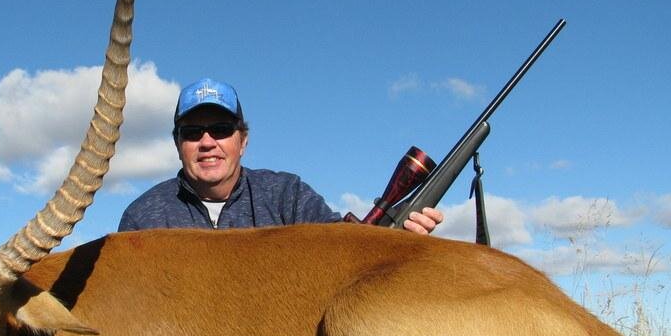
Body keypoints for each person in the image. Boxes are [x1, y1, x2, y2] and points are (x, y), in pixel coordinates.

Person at [118, 78, 443, 233]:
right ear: (177, 144)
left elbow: (344, 253)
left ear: (242, 141)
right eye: (192, 133)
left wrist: (397, 240)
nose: (207, 142)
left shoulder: (287, 195)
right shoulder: (143, 217)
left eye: (220, 129)